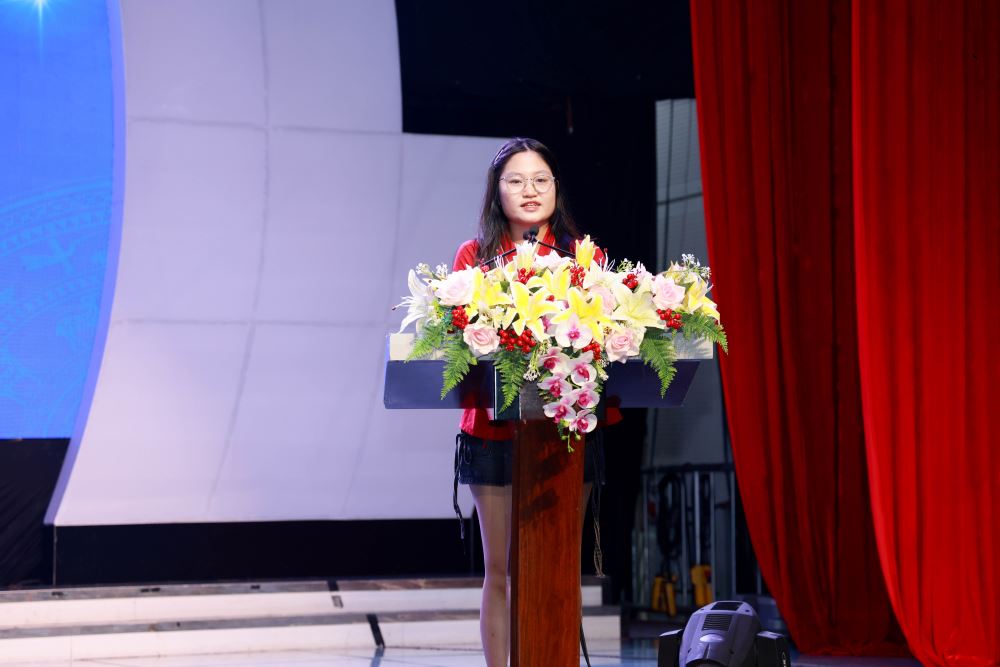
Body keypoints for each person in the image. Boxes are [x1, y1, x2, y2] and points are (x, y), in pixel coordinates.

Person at [452, 137, 610, 666]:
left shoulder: (583, 256)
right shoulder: (475, 257)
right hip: (494, 432)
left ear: (556, 188)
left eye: (541, 180)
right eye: (516, 181)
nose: (530, 190)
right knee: (500, 569)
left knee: (556, 568)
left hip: (565, 429)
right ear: (497, 191)